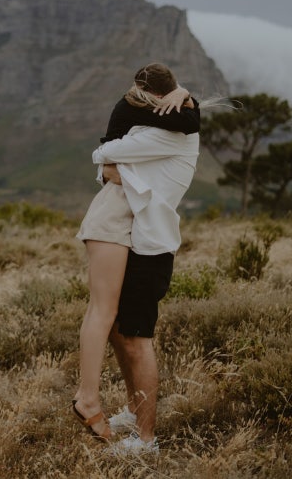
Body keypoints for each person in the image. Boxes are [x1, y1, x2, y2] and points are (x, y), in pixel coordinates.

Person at [72, 63, 199, 444]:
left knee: (127, 331)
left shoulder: (169, 134)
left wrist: (188, 98)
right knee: (111, 322)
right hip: (119, 225)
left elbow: (106, 155)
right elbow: (107, 164)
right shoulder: (154, 130)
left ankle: (142, 436)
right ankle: (103, 403)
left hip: (144, 237)